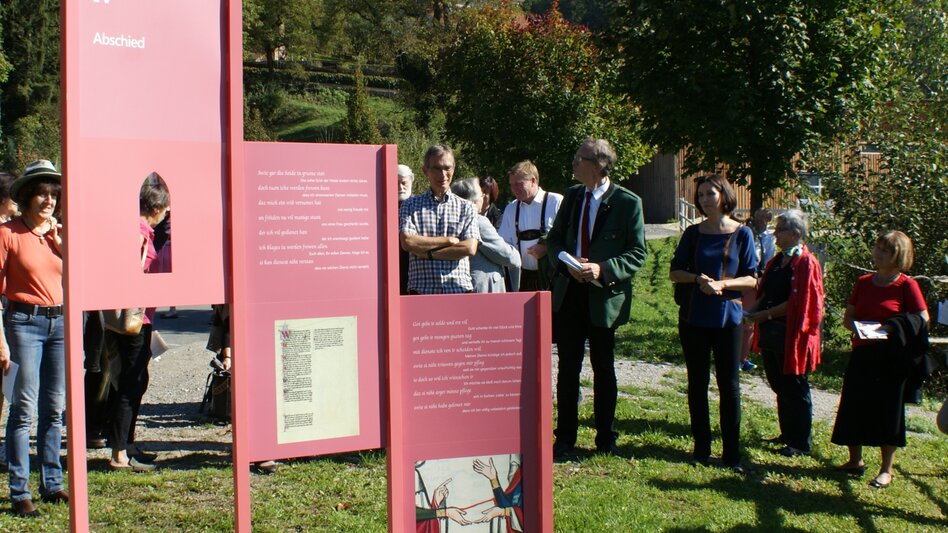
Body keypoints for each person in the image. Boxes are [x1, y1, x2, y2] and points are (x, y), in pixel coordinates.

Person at [546, 138, 647, 456]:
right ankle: (565, 438)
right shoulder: (574, 196)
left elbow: (637, 252)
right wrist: (566, 262)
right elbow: (555, 240)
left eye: (580, 158)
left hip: (604, 298)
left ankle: (605, 437)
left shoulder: (628, 202)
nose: (574, 163)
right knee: (567, 368)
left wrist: (602, 269)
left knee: (604, 369)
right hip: (570, 293)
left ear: (599, 165)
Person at [670, 174, 758, 472]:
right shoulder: (692, 234)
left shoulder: (742, 234)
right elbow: (675, 272)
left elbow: (752, 278)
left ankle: (732, 454)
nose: (706, 199)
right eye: (702, 195)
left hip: (728, 320)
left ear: (724, 195)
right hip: (694, 317)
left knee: (729, 386)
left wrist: (722, 285)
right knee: (697, 383)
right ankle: (701, 448)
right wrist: (696, 278)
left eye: (711, 193)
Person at [831, 231, 929, 489]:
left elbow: (922, 318)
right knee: (854, 405)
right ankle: (855, 460)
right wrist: (858, 327)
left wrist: (892, 328)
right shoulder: (863, 282)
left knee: (889, 412)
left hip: (891, 358)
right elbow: (847, 317)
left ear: (898, 255)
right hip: (863, 352)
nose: (877, 253)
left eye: (883, 250)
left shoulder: (907, 285)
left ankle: (886, 469)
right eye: (876, 248)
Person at [0, 160, 67, 517]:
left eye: (53, 194)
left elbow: (81, 280)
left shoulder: (58, 234)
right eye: (41, 193)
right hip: (24, 323)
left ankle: (52, 483)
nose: (48, 200)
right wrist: (0, 339)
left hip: (61, 324)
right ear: (26, 196)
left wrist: (61, 245)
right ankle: (19, 491)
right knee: (24, 409)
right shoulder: (8, 232)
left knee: (54, 410)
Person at [744, 210, 823, 457]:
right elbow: (765, 292)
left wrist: (765, 315)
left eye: (780, 230)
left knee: (795, 387)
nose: (775, 233)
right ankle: (787, 433)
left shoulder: (806, 262)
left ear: (795, 233)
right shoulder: (778, 261)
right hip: (771, 333)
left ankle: (800, 441)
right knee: (779, 383)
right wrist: (751, 312)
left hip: (793, 335)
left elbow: (800, 302)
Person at [107, 176, 171, 472]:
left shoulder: (137, 231)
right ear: (156, 207)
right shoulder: (139, 234)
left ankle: (127, 445)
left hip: (141, 320)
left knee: (136, 381)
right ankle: (119, 452)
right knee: (130, 384)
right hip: (133, 321)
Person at [399, 145, 479, 295]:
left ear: (453, 169)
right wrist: (448, 241)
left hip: (458, 290)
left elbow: (469, 248)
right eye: (436, 168)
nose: (443, 174)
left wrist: (427, 253)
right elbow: (408, 242)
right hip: (422, 291)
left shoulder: (467, 207)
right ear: (425, 171)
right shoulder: (410, 205)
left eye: (447, 168)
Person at [499, 160, 563, 291]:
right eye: (512, 185)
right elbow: (503, 243)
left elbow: (568, 238)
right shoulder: (511, 209)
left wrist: (546, 248)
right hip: (523, 278)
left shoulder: (556, 201)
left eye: (518, 184)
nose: (514, 189)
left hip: (552, 277)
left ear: (533, 180)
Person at [451, 178, 521, 293]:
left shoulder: (449, 220)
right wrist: (515, 253)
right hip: (482, 290)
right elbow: (508, 256)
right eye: (480, 194)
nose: (483, 196)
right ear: (472, 200)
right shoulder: (478, 221)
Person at [739, 208, 776, 371]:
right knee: (737, 319)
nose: (763, 220)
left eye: (766, 218)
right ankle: (732, 356)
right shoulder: (747, 232)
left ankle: (743, 358)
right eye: (761, 216)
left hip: (759, 280)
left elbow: (769, 259)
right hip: (744, 278)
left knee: (749, 322)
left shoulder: (769, 237)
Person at [397, 164, 415, 295]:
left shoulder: (419, 205)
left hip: (414, 262)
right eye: (396, 183)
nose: (400, 187)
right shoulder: (382, 205)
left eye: (404, 183)